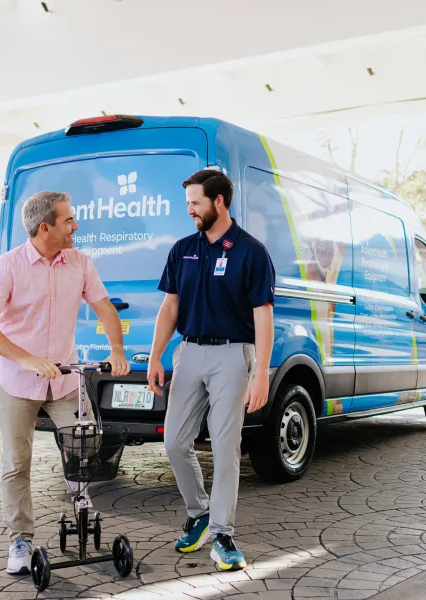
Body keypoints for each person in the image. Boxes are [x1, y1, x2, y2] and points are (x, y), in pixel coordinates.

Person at [0, 190, 130, 576]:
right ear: (45, 227)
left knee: (86, 442)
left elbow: (105, 308)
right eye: (68, 220)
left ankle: (80, 499)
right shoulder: (8, 267)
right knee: (16, 462)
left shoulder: (79, 262)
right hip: (16, 381)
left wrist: (117, 350)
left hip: (64, 381)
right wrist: (27, 359)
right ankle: (20, 538)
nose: (76, 225)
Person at [147, 169, 275, 571]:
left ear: (219, 202)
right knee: (174, 442)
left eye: (195, 203)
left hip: (232, 355)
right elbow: (170, 307)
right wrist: (155, 356)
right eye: (188, 203)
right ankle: (199, 512)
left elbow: (263, 315)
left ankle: (222, 534)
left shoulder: (251, 251)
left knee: (224, 446)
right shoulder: (183, 249)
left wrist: (261, 372)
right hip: (189, 352)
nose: (190, 210)